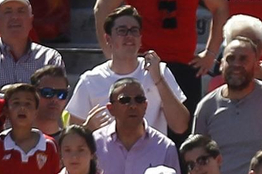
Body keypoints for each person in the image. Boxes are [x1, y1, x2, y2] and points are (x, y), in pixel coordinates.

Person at [93, 0, 228, 110]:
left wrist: (210, 53)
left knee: (182, 134)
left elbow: (220, 7)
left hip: (184, 65)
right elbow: (102, 8)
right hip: (141, 64)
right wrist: (112, 55)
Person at [68, 7, 190, 139]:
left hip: (152, 156)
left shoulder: (159, 71)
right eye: (122, 31)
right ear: (108, 39)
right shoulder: (90, 80)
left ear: (140, 38)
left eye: (134, 31)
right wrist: (88, 129)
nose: (129, 36)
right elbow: (72, 137)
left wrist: (159, 80)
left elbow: (180, 126)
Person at [192, 36, 262, 174]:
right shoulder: (206, 107)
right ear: (221, 64)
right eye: (230, 58)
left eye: (243, 59)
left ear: (256, 64)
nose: (236, 64)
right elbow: (196, 158)